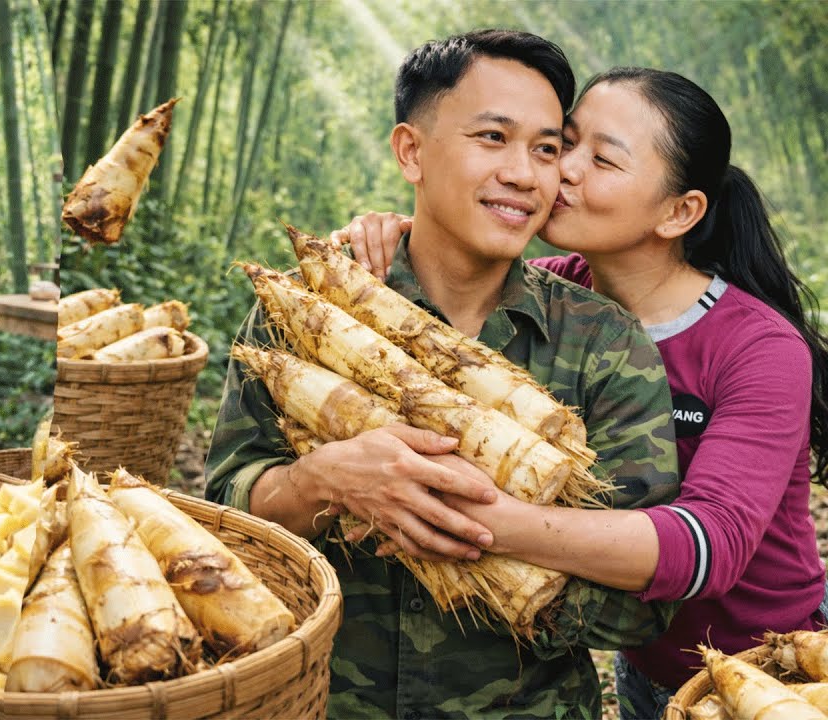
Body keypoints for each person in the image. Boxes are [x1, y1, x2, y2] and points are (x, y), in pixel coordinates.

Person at [205, 30, 679, 719]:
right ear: (411, 151)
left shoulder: (604, 344)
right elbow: (223, 512)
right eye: (492, 137)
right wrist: (321, 481)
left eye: (546, 149)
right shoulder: (309, 314)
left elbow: (645, 605)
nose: (524, 174)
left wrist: (479, 536)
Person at [337, 67, 828, 719]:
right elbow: (448, 281)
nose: (561, 170)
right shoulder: (545, 297)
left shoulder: (755, 349)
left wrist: (485, 525)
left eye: (600, 159)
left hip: (772, 675)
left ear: (679, 212)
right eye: (562, 144)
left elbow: (706, 547)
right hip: (646, 666)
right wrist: (395, 235)